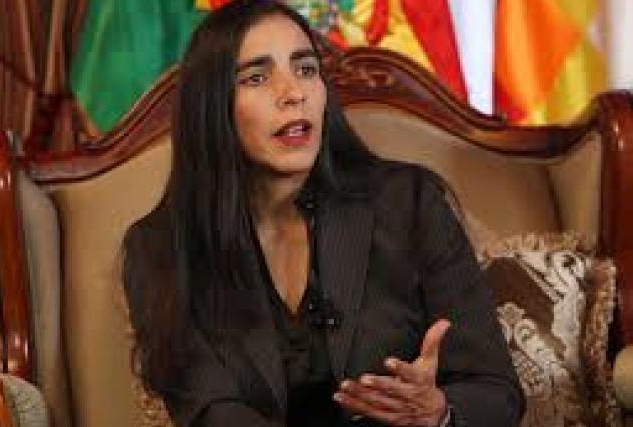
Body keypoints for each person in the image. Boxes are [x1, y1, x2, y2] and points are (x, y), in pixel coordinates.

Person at [122, 1, 524, 426]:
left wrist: (439, 412)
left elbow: (496, 392)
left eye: (306, 69)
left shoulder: (409, 204)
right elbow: (211, 414)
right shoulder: (161, 248)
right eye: (257, 77)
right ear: (211, 106)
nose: (293, 93)